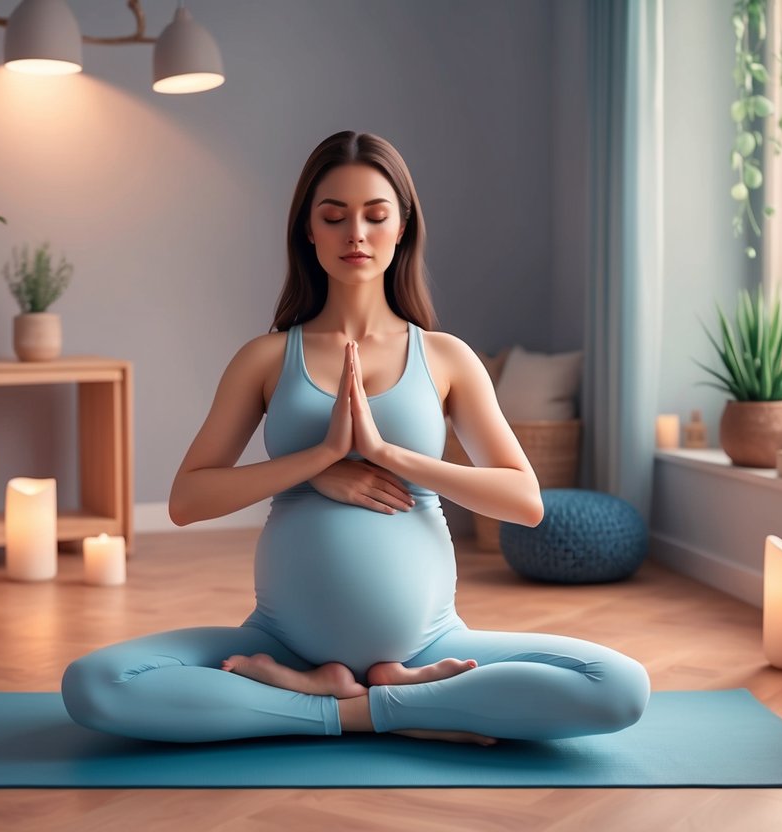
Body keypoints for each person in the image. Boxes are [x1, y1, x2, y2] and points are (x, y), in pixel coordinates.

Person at [61, 131, 650, 744]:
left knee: (618, 686)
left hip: (432, 642)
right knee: (96, 683)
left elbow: (524, 502)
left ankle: (334, 703)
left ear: (403, 228)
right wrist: (315, 462)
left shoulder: (446, 357)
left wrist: (390, 455)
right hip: (279, 642)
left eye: (375, 215)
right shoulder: (264, 359)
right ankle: (396, 703)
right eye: (334, 216)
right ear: (307, 231)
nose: (356, 234)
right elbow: (186, 501)